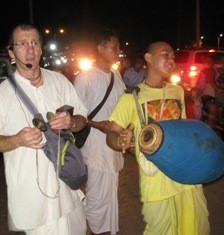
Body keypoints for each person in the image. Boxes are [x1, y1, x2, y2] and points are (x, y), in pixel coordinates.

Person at [0, 24, 88, 235]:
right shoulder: (0, 95)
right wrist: (17, 140)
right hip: (33, 196)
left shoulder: (59, 81)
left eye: (34, 43)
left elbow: (82, 120)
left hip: (66, 186)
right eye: (22, 44)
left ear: (41, 49)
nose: (30, 49)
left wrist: (70, 121)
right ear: (11, 52)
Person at [106, 41, 210, 235]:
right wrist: (121, 141)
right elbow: (112, 133)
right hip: (155, 179)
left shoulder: (177, 91)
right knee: (159, 229)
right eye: (165, 55)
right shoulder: (131, 97)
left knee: (193, 225)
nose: (171, 60)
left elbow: (185, 130)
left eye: (173, 56)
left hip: (184, 174)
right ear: (148, 58)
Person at [73, 29, 126, 235]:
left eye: (118, 46)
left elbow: (123, 104)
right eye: (114, 46)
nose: (118, 50)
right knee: (96, 195)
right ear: (100, 48)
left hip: (113, 142)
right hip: (95, 144)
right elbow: (74, 115)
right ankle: (97, 230)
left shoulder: (116, 75)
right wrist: (98, 125)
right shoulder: (84, 78)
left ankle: (108, 230)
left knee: (109, 192)